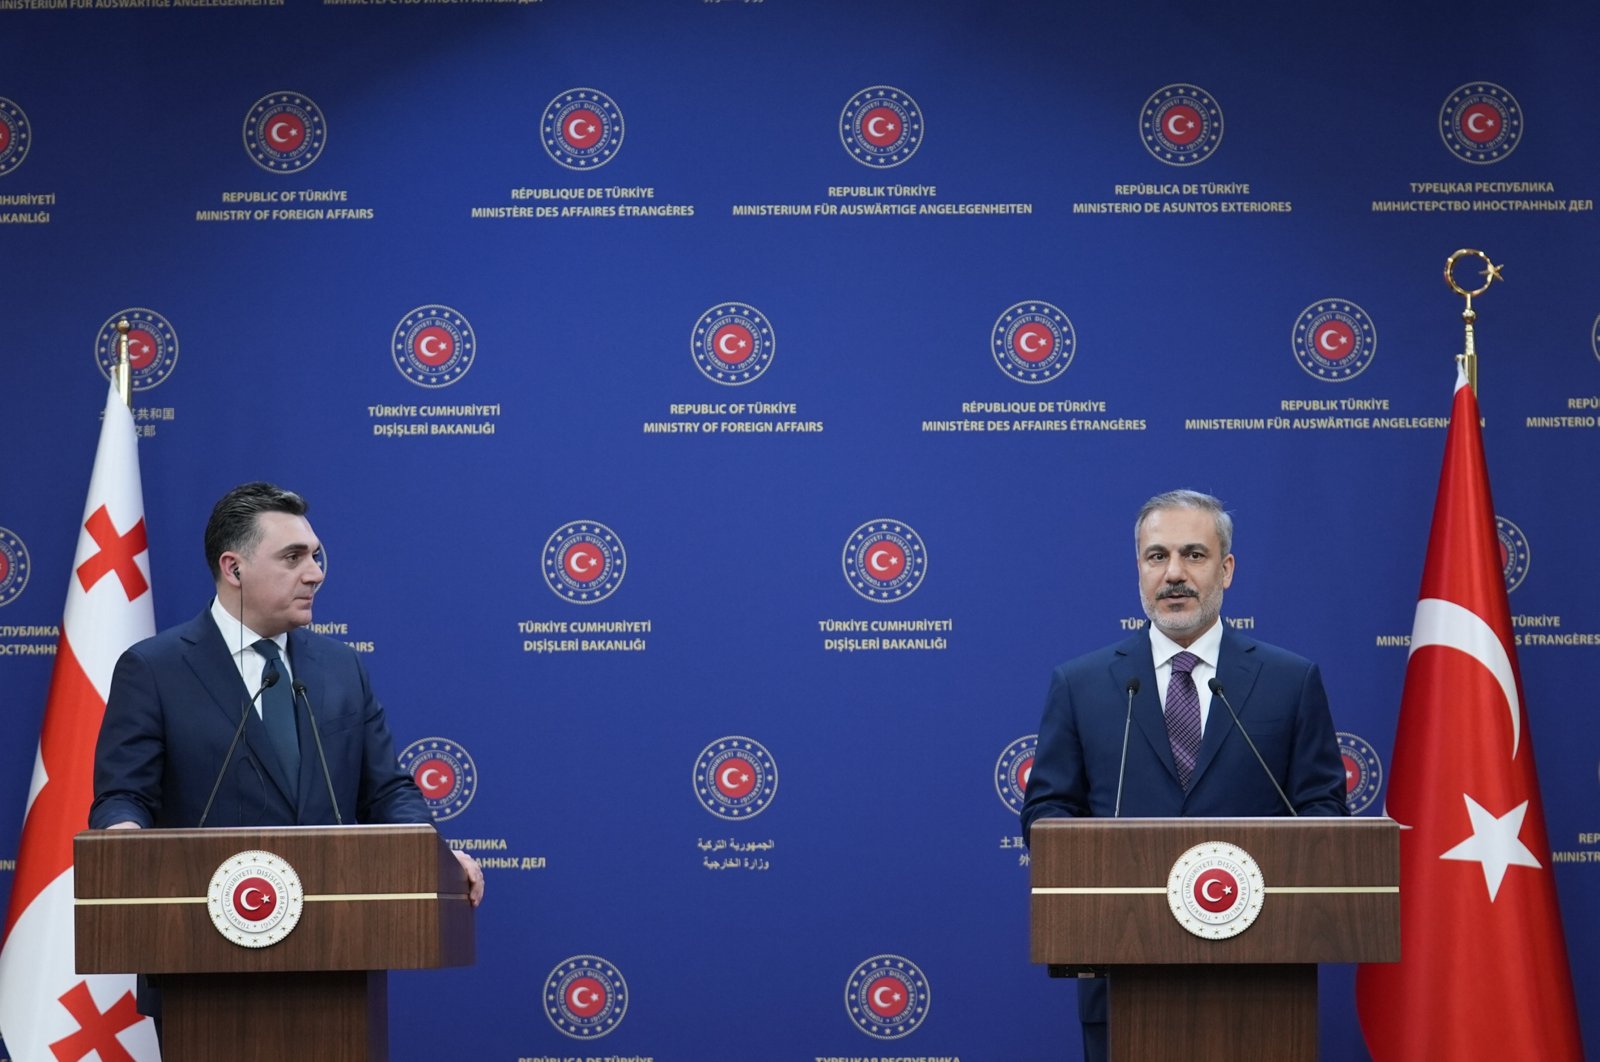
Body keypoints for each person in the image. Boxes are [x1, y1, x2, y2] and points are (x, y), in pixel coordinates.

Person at [1020, 489, 1347, 1062]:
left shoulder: (1289, 681)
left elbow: (1322, 813)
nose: (1174, 573)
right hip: (1124, 979)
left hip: (1260, 981)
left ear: (1226, 570)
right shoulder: (1083, 684)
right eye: (1156, 556)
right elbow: (1047, 814)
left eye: (1193, 555)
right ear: (1139, 570)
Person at [90, 480, 484, 893]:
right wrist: (123, 837)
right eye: (293, 558)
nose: (315, 574)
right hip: (207, 923)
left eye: (314, 556)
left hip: (337, 926)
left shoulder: (341, 666)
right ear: (234, 568)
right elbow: (125, 795)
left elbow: (386, 792)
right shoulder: (155, 669)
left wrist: (431, 852)